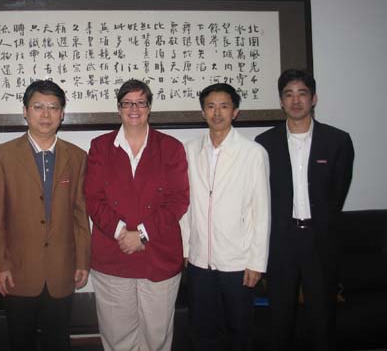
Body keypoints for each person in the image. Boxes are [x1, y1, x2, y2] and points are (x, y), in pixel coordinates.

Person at [85, 79, 189, 351]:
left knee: (156, 337)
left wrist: (142, 234)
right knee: (118, 338)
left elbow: (178, 200)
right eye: (127, 103)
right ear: (119, 108)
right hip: (113, 256)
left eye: (141, 103)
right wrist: (123, 233)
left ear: (149, 107)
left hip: (159, 255)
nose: (134, 109)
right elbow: (93, 199)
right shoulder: (100, 147)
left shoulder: (171, 147)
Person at [0, 79, 90, 351]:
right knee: (21, 341)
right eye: (38, 107)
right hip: (18, 271)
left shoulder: (77, 156)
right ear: (25, 111)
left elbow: (80, 213)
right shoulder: (2, 156)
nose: (46, 114)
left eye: (53, 108)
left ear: (62, 113)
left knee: (58, 341)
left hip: (62, 269)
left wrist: (82, 260)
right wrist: (0, 265)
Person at [255, 69, 354, 351]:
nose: (295, 100)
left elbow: (337, 194)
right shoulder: (264, 144)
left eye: (302, 94)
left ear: (314, 99)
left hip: (319, 240)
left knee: (322, 319)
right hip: (281, 242)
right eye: (288, 94)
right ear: (281, 101)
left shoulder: (337, 141)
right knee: (280, 319)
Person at [180, 83, 270, 351]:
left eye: (224, 106)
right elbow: (185, 206)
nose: (217, 113)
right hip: (199, 260)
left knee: (240, 331)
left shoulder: (253, 153)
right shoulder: (190, 150)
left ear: (235, 112)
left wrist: (256, 262)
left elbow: (262, 211)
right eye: (210, 106)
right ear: (202, 112)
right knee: (203, 331)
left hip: (238, 263)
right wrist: (186, 248)